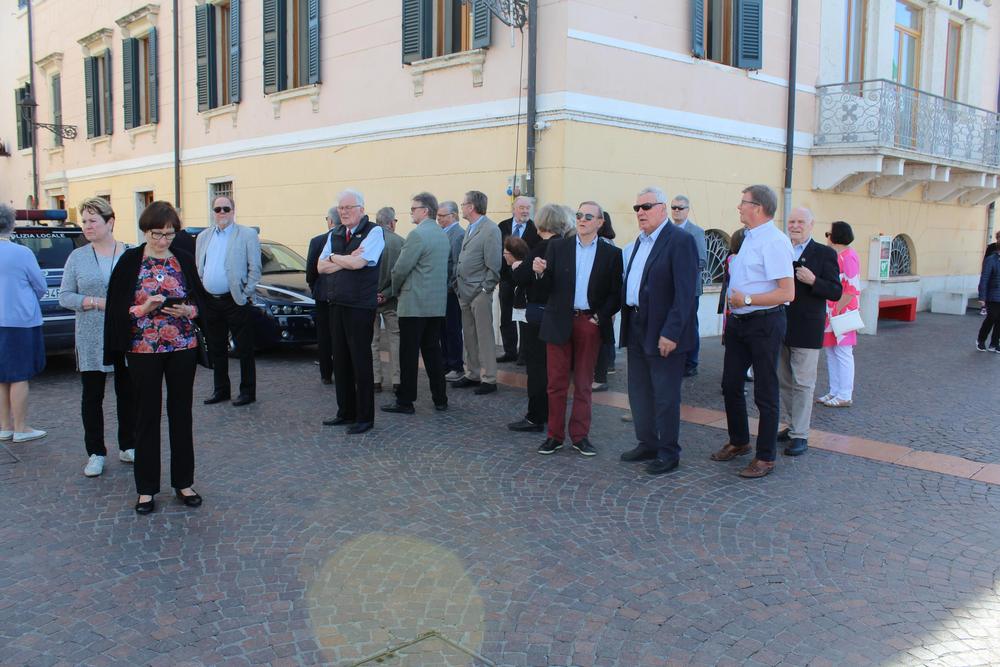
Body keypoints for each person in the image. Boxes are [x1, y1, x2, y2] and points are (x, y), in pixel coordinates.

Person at [104, 201, 207, 514]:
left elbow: (201, 301)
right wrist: (142, 308)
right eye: (157, 234)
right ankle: (146, 489)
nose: (163, 240)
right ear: (145, 231)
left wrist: (190, 310)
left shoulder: (183, 258)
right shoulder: (130, 260)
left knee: (181, 414)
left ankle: (183, 483)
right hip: (143, 349)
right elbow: (116, 309)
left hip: (182, 346)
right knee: (146, 416)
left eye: (169, 234)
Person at [709, 185, 794, 479]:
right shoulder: (748, 237)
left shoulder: (775, 242)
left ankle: (766, 456)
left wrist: (746, 299)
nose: (739, 207)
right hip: (740, 323)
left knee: (765, 390)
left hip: (765, 323)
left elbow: (787, 292)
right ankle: (739, 441)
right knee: (730, 383)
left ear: (757, 207)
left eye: (743, 202)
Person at [617, 187, 699, 475]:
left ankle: (668, 451)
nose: (640, 212)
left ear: (663, 209)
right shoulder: (639, 241)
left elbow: (685, 294)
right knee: (639, 391)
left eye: (646, 207)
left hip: (663, 330)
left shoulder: (680, 241)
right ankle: (648, 443)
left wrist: (672, 332)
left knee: (665, 395)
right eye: (637, 208)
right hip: (637, 324)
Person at [534, 201, 623, 457]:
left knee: (584, 383)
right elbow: (546, 289)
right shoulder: (558, 247)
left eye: (588, 216)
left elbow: (615, 293)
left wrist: (599, 318)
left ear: (600, 222)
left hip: (588, 323)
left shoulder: (611, 254)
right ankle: (554, 436)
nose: (582, 219)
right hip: (558, 320)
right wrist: (540, 273)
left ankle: (580, 436)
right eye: (579, 215)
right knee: (556, 383)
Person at [59, 197, 138, 477]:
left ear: (110, 222)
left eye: (93, 220)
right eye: (84, 221)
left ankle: (128, 445)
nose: (87, 226)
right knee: (92, 396)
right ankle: (95, 452)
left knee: (127, 393)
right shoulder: (77, 257)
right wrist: (94, 302)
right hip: (91, 336)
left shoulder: (131, 254)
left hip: (124, 333)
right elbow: (65, 296)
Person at [776, 208, 843, 457]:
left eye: (800, 222)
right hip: (779, 325)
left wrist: (814, 280)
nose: (795, 225)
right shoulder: (780, 249)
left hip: (807, 327)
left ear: (811, 225)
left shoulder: (824, 253)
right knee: (784, 381)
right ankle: (792, 424)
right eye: (791, 221)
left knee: (803, 383)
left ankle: (800, 435)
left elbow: (836, 291)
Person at [317, 189, 385, 434]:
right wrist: (343, 258)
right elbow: (320, 267)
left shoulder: (374, 232)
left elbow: (359, 263)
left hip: (359, 306)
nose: (343, 212)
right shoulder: (335, 233)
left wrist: (334, 258)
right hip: (337, 303)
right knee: (341, 360)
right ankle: (345, 412)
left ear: (361, 209)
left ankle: (365, 417)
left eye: (348, 207)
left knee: (360, 361)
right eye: (341, 208)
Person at [382, 193, 450, 414]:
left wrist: (394, 291)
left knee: (408, 354)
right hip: (435, 304)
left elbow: (400, 269)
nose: (411, 212)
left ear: (425, 210)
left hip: (414, 304)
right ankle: (440, 398)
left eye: (413, 209)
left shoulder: (417, 235)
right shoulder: (442, 235)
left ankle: (405, 401)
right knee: (433, 352)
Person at [507, 205, 572, 433]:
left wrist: (516, 265)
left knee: (536, 367)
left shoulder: (543, 247)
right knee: (552, 367)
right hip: (557, 313)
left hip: (538, 313)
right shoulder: (566, 245)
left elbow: (520, 276)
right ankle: (550, 414)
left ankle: (535, 416)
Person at [195, 194, 262, 406]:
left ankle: (247, 391)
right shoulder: (203, 236)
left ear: (233, 211)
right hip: (211, 301)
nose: (222, 212)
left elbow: (255, 267)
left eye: (226, 208)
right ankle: (221, 390)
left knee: (244, 348)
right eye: (218, 209)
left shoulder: (247, 234)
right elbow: (199, 266)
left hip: (235, 299)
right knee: (217, 347)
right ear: (213, 212)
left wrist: (246, 292)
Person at [0, 203, 47, 444]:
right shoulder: (21, 253)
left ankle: (5, 426)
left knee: (1, 376)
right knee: (19, 375)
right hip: (20, 320)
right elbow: (40, 285)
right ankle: (21, 427)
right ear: (11, 224)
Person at [453, 191, 502, 395]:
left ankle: (489, 378)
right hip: (464, 291)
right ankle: (472, 373)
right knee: (469, 335)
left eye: (463, 204)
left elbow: (494, 265)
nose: (461, 208)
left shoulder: (490, 229)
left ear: (471, 206)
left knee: (484, 336)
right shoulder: (471, 228)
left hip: (479, 293)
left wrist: (484, 289)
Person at [817, 221, 861, 408]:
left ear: (836, 236)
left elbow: (851, 288)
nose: (827, 237)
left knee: (843, 352)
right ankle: (835, 390)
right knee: (831, 351)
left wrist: (837, 310)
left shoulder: (849, 257)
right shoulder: (838, 255)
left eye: (828, 233)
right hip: (833, 310)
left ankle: (845, 394)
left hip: (843, 311)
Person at [497, 196, 540, 363]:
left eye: (528, 208)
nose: (525, 211)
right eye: (522, 207)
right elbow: (497, 250)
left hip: (525, 280)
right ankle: (510, 351)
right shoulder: (503, 226)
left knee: (523, 317)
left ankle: (524, 354)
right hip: (506, 279)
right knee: (506, 316)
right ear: (513, 209)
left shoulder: (535, 229)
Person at [669, 195, 707, 378]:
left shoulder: (696, 232)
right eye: (674, 207)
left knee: (689, 325)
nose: (676, 211)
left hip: (690, 289)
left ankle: (691, 362)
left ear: (687, 210)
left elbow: (702, 261)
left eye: (680, 208)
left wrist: (678, 270)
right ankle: (674, 358)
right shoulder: (666, 230)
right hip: (669, 289)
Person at [305, 207, 340, 384]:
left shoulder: (317, 240)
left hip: (322, 294)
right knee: (341, 335)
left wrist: (314, 288)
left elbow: (311, 270)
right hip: (341, 294)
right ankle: (343, 372)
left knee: (324, 335)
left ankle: (326, 374)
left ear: (330, 221)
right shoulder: (348, 240)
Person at [371, 207, 404, 393]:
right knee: (395, 338)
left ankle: (375, 379)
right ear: (391, 223)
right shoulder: (400, 242)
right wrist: (387, 293)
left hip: (370, 299)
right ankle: (397, 379)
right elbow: (402, 273)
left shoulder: (368, 241)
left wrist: (374, 294)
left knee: (372, 340)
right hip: (392, 299)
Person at [437, 201, 466, 381]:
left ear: (453, 215)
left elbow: (456, 264)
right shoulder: (443, 233)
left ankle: (456, 365)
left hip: (451, 291)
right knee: (443, 329)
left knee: (452, 329)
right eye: (438, 215)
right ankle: (445, 363)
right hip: (441, 290)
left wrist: (451, 287)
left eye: (442, 216)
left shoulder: (458, 235)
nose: (438, 219)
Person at [592, 211, 620, 392]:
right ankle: (609, 364)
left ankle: (607, 366)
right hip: (607, 300)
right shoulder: (609, 241)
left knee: (605, 335)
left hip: (604, 300)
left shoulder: (603, 244)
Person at [978, 242, 1000, 352]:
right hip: (992, 294)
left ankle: (994, 344)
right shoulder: (991, 260)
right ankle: (981, 340)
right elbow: (984, 278)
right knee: (992, 317)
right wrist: (982, 297)